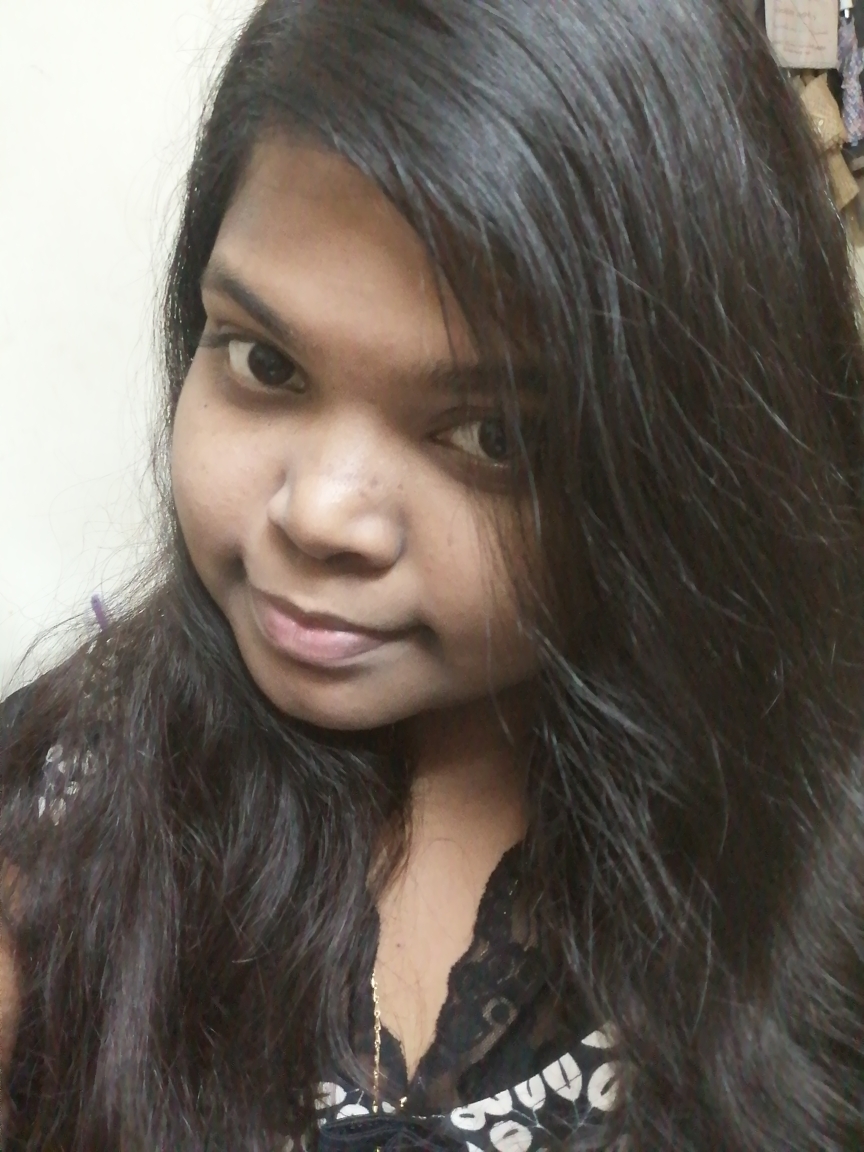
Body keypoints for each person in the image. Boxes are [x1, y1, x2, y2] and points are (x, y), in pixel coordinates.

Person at [2, 0, 863, 1148]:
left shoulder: (811, 863)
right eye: (265, 363)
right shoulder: (57, 823)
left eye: (490, 437)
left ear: (679, 467)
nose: (319, 515)